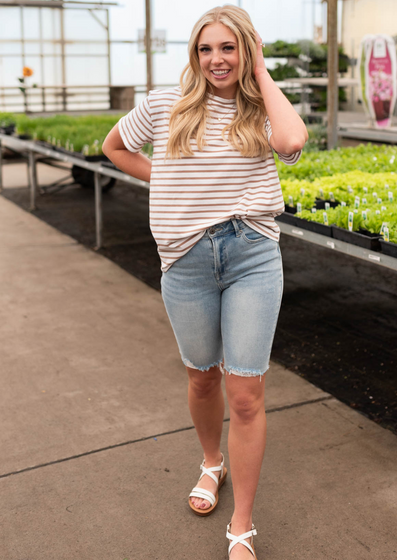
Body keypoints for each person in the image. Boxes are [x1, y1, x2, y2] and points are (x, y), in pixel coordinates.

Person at [102, 4, 308, 558]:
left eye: (229, 47)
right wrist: (164, 178)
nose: (216, 60)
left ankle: (241, 523)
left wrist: (262, 75)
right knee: (201, 378)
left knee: (245, 391)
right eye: (205, 48)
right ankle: (210, 464)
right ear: (194, 55)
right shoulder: (166, 104)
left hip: (251, 256)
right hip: (186, 262)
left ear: (246, 49)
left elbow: (290, 142)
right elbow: (114, 147)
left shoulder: (262, 108)